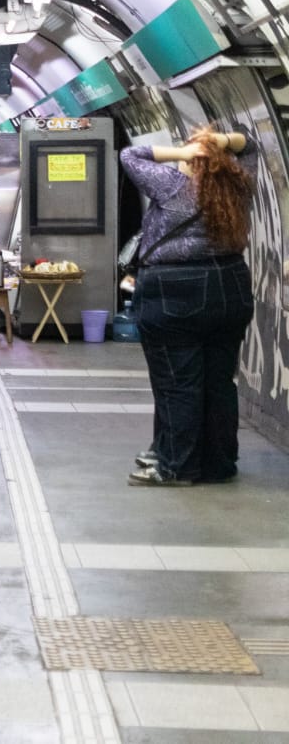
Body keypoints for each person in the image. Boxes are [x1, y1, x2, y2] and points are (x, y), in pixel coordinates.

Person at [120, 128, 256, 487]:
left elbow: (131, 156)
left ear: (193, 159)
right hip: (230, 285)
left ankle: (175, 466)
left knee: (178, 382)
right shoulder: (238, 184)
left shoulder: (173, 186)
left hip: (174, 290)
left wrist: (182, 154)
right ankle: (218, 463)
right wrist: (219, 143)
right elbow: (250, 145)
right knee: (219, 382)